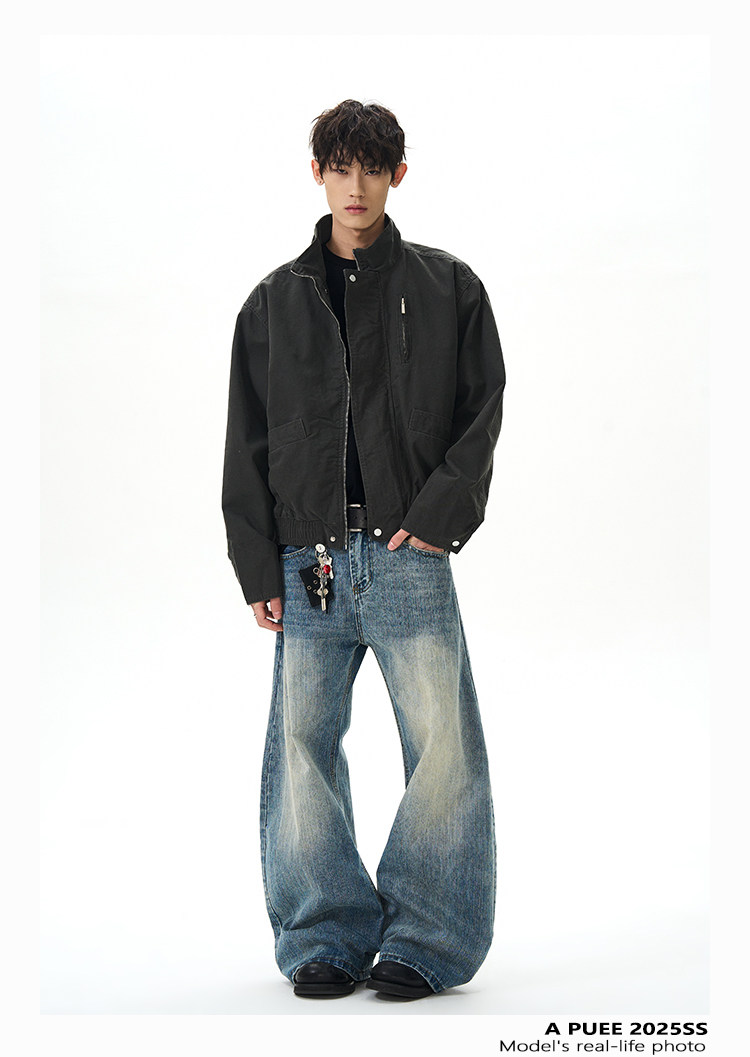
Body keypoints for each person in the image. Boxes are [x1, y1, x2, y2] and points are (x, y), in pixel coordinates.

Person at [221, 99, 506, 1000]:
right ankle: (323, 933)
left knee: (443, 748)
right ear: (318, 173)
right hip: (307, 560)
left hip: (409, 553)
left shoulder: (449, 287)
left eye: (372, 169)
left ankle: (427, 937)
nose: (356, 186)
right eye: (340, 167)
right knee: (301, 752)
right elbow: (246, 442)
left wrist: (437, 514)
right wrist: (256, 564)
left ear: (397, 176)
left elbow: (482, 409)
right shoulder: (274, 303)